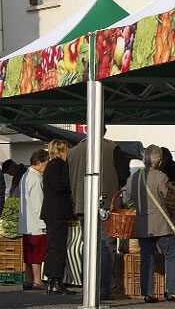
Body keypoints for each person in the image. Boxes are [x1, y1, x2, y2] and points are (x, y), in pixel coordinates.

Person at [67, 126, 129, 299]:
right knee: (106, 245)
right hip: (106, 204)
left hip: (82, 204)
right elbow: (124, 175)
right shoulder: (112, 148)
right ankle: (105, 287)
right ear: (104, 131)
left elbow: (67, 180)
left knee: (88, 246)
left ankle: (88, 287)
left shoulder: (72, 152)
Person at [123, 145, 175, 303]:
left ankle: (148, 293)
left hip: (142, 224)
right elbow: (168, 199)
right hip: (161, 223)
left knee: (146, 257)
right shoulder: (161, 177)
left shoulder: (133, 178)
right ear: (159, 162)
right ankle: (172, 291)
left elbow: (126, 199)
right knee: (172, 254)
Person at [41, 140, 73, 296]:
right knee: (57, 247)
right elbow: (61, 186)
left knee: (55, 246)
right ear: (61, 151)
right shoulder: (57, 165)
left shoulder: (51, 166)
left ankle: (54, 280)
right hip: (57, 212)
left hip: (53, 212)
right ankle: (55, 281)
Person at [18, 149, 49, 290]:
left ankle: (28, 279)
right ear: (38, 163)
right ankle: (37, 281)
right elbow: (39, 204)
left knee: (29, 254)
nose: (47, 165)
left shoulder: (25, 176)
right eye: (46, 162)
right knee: (36, 255)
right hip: (36, 223)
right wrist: (45, 220)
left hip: (27, 223)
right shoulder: (36, 179)